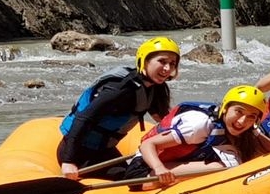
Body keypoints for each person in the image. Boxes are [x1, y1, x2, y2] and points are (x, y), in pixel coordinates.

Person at [57, 37, 180, 181]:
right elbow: (84, 118)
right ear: (145, 60)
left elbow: (165, 121)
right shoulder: (120, 88)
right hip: (79, 153)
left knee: (133, 173)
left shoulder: (155, 88)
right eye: (162, 61)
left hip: (104, 151)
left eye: (172, 64)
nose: (167, 68)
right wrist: (68, 162)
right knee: (131, 180)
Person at [123, 85, 270, 190]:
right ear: (225, 109)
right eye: (238, 112)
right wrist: (158, 168)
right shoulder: (199, 125)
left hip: (176, 163)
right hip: (144, 171)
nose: (242, 121)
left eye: (251, 117)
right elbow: (148, 145)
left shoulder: (247, 130)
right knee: (223, 168)